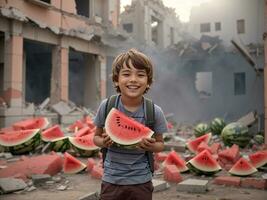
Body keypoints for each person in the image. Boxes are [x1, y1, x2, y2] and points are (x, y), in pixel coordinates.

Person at [93, 48, 168, 200]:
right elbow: (96, 138)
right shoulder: (107, 106)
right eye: (126, 74)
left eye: (140, 75)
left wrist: (151, 146)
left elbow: (161, 144)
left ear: (148, 82)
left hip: (141, 181)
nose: (133, 79)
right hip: (111, 180)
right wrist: (104, 142)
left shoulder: (154, 111)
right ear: (116, 79)